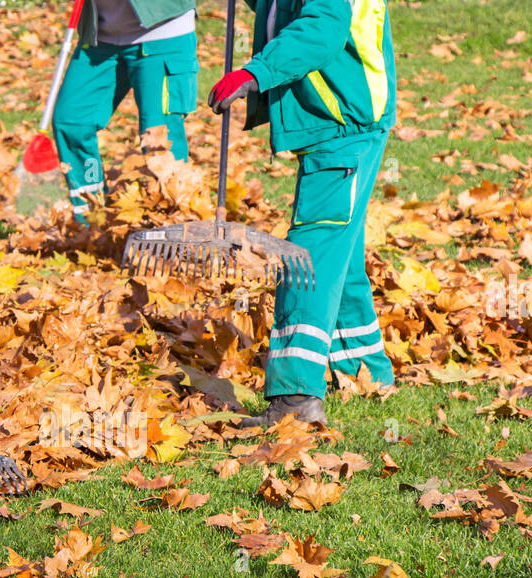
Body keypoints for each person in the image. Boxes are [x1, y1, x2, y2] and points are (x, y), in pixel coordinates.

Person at [208, 0, 397, 428]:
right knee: (338, 257)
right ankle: (364, 372)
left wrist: (255, 73)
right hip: (345, 118)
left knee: (307, 258)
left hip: (345, 124)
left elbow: (322, 26)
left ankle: (295, 398)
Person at [51, 0, 199, 219]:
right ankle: (92, 218)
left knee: (159, 139)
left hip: (162, 33)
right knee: (73, 120)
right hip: (101, 36)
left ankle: (174, 225)